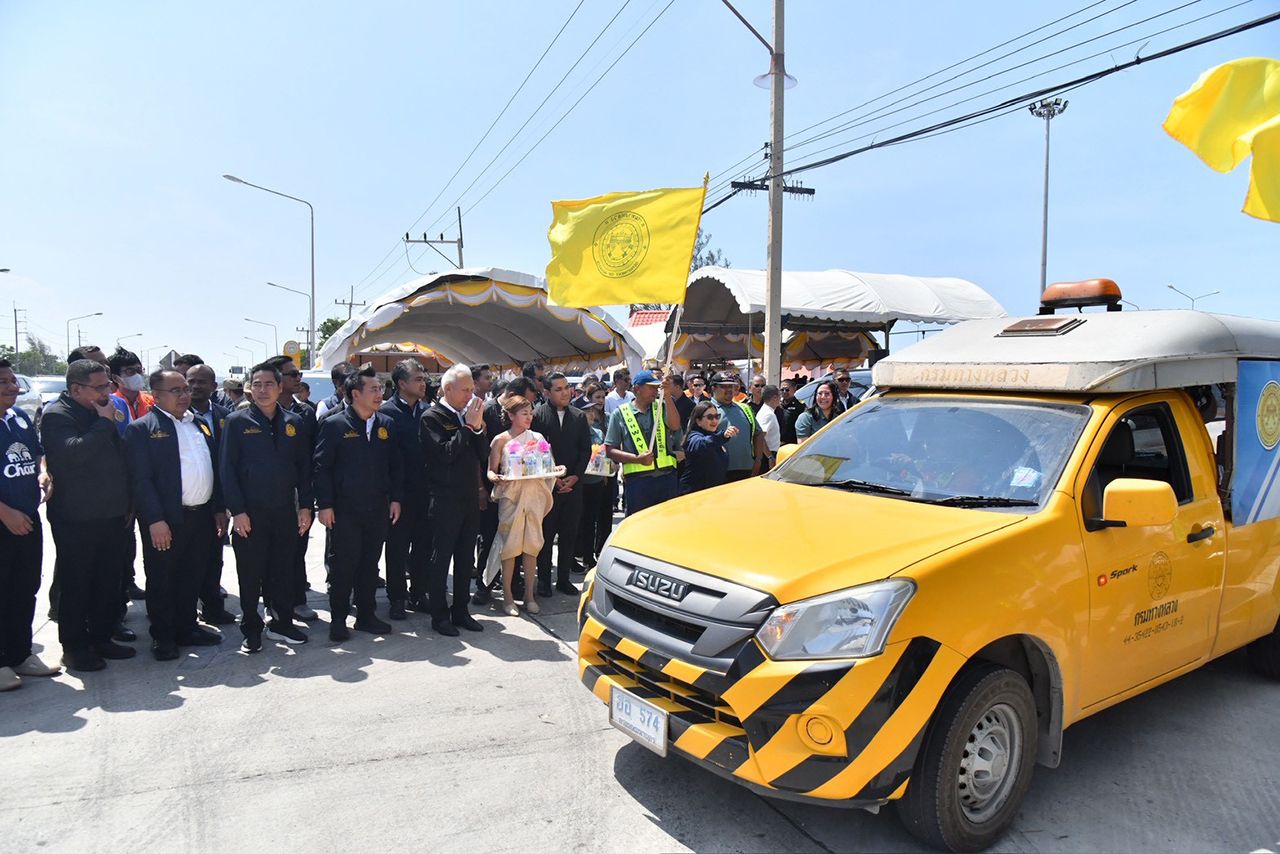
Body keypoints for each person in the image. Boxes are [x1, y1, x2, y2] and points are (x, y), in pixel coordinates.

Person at [41, 359, 136, 671]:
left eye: (107, 385)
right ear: (76, 389)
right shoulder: (58, 415)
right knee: (77, 584)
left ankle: (101, 637)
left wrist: (127, 502)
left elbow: (119, 459)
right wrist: (104, 423)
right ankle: (74, 647)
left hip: (111, 514)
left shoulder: (100, 410)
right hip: (77, 518)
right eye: (98, 387)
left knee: (107, 582)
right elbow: (74, 453)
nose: (106, 392)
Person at [124, 369, 224, 660]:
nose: (184, 395)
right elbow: (141, 480)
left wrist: (218, 508)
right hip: (166, 520)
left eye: (185, 390)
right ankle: (164, 636)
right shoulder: (142, 429)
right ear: (156, 396)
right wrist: (155, 520)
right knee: (163, 578)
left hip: (201, 515)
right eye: (176, 390)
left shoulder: (198, 424)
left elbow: (212, 467)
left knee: (192, 575)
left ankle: (187, 627)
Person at [219, 361, 314, 652]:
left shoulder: (293, 422)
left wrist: (305, 506)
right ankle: (251, 628)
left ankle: (281, 624)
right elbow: (227, 469)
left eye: (269, 384)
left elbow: (304, 468)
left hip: (284, 511)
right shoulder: (237, 421)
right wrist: (238, 511)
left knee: (282, 570)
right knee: (250, 574)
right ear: (250, 388)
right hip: (250, 513)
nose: (263, 390)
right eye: (257, 384)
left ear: (280, 387)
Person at [315, 366, 403, 639]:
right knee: (343, 566)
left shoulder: (386, 424)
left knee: (369, 565)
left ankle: (366, 615)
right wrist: (325, 505)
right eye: (373, 389)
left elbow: (395, 466)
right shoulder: (334, 424)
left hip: (377, 508)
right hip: (345, 510)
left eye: (381, 389)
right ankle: (338, 619)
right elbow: (321, 468)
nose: (380, 394)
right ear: (355, 394)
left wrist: (395, 499)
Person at [0, 359, 58, 689]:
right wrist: (4, 513)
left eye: (12, 380)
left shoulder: (19, 417)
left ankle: (20, 653)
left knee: (24, 587)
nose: (13, 387)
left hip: (27, 518)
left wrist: (43, 472)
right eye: (3, 382)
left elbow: (38, 454)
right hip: (5, 519)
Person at [420, 363, 488, 637]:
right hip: (445, 499)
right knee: (441, 559)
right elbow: (445, 453)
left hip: (469, 497)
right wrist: (467, 427)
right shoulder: (432, 417)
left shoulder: (468, 415)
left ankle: (461, 610)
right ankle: (439, 615)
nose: (470, 395)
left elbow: (482, 454)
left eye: (472, 389)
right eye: (465, 390)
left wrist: (478, 428)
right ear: (448, 389)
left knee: (465, 557)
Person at [486, 396, 554, 616]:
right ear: (511, 415)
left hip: (534, 495)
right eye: (524, 413)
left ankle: (529, 596)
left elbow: (548, 464)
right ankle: (507, 597)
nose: (529, 417)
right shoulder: (500, 439)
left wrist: (557, 470)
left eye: (530, 413)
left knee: (532, 545)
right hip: (511, 496)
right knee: (510, 546)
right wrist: (495, 477)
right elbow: (491, 469)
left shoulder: (537, 437)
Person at [474, 376, 538, 604]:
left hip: (523, 492)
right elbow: (479, 457)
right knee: (491, 537)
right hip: (496, 491)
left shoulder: (531, 429)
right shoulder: (487, 412)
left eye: (530, 409)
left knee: (520, 541)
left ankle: (514, 585)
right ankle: (484, 585)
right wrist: (483, 486)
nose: (529, 413)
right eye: (524, 406)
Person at [268, 355, 319, 623]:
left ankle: (298, 599)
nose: (298, 379)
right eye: (293, 374)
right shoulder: (256, 413)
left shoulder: (306, 412)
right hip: (268, 496)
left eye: (298, 374)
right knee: (271, 553)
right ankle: (273, 604)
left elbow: (312, 456)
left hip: (299, 494)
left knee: (297, 549)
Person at [380, 359, 432, 619]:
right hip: (398, 495)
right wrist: (393, 495)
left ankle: (419, 593)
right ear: (401, 383)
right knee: (397, 549)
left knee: (423, 546)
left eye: (424, 379)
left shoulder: (427, 412)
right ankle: (397, 598)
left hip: (425, 492)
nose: (423, 384)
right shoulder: (386, 413)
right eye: (417, 379)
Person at [532, 373, 592, 598]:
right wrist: (553, 478)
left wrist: (575, 476)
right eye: (558, 389)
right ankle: (544, 580)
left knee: (569, 533)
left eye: (567, 387)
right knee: (546, 535)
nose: (565, 392)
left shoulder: (578, 416)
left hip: (573, 486)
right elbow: (536, 451)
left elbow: (585, 450)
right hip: (548, 486)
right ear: (547, 392)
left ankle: (564, 579)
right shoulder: (538, 416)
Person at [186, 364, 236, 626]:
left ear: (214, 387)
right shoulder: (179, 417)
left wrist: (225, 504)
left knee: (213, 557)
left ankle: (212, 607)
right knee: (188, 562)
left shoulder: (226, 417)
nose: (195, 387)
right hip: (188, 500)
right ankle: (185, 614)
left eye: (201, 382)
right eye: (191, 381)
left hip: (217, 500)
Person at [604, 370, 682, 516]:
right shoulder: (620, 413)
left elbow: (675, 425)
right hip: (638, 482)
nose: (655, 391)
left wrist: (667, 397)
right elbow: (610, 450)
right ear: (637, 389)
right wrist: (636, 459)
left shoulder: (662, 406)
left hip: (666, 478)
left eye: (657, 387)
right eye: (651, 387)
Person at [575, 387, 610, 570]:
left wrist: (605, 473)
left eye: (591, 411)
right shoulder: (574, 433)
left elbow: (603, 455)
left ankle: (589, 557)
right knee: (577, 521)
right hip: (579, 482)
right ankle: (575, 555)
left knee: (591, 521)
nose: (590, 414)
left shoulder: (598, 432)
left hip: (596, 482)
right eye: (585, 411)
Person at [709, 371, 766, 482]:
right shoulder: (706, 409)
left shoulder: (744, 408)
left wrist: (758, 460)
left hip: (746, 470)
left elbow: (758, 434)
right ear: (713, 388)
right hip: (718, 471)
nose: (729, 389)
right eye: (724, 386)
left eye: (731, 386)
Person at [679, 402, 737, 494]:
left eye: (717, 416)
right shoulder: (693, 436)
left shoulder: (716, 436)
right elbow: (701, 444)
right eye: (710, 417)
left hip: (714, 492)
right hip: (694, 494)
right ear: (698, 421)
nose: (714, 421)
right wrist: (723, 436)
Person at [756, 385, 782, 471]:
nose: (781, 399)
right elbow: (760, 437)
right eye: (780, 396)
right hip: (766, 455)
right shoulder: (768, 414)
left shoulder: (767, 411)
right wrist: (770, 457)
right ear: (774, 397)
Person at [778, 378, 805, 445]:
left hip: (792, 443)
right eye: (782, 390)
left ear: (794, 389)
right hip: (778, 442)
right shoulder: (777, 405)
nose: (784, 392)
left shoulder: (800, 406)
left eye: (787, 390)